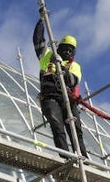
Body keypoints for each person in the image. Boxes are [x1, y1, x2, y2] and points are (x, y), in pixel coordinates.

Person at [32, 18, 87, 156]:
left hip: (67, 98)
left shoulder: (74, 66)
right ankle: (66, 156)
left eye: (70, 50)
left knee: (75, 128)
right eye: (65, 49)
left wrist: (60, 66)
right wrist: (41, 22)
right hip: (49, 97)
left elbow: (72, 80)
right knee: (57, 126)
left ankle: (82, 157)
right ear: (59, 48)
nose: (67, 52)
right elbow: (38, 41)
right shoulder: (48, 55)